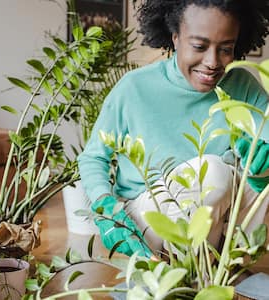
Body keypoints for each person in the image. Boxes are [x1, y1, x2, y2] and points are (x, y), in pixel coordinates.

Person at [77, 0, 269, 258]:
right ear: (175, 37)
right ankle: (193, 277)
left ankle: (218, 269)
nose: (213, 62)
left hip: (216, 218)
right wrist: (104, 206)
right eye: (199, 46)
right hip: (149, 219)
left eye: (226, 49)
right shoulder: (134, 88)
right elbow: (93, 157)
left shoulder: (241, 84)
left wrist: (263, 165)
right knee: (211, 171)